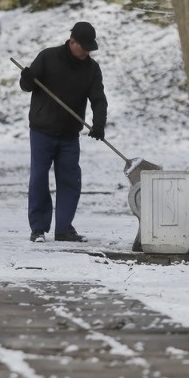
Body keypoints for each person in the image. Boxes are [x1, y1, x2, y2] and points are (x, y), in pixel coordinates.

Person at [19, 21, 108, 242]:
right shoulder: (48, 57)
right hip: (42, 130)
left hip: (69, 134)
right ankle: (38, 228)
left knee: (70, 180)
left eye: (90, 48)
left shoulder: (92, 68)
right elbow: (27, 85)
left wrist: (99, 123)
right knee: (39, 178)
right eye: (83, 46)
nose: (86, 51)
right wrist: (27, 78)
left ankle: (64, 229)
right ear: (72, 41)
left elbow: (98, 99)